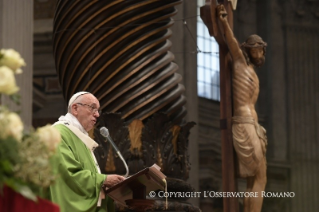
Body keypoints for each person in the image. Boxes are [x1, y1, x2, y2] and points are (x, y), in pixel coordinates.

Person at [216, 5, 268, 212]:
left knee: (257, 179)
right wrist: (223, 21)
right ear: (249, 49)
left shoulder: (252, 72)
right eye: (255, 48)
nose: (259, 51)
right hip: (244, 124)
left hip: (253, 125)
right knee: (259, 177)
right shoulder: (239, 62)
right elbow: (232, 43)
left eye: (261, 48)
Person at [49, 91, 125, 212]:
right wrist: (103, 180)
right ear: (75, 109)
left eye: (98, 110)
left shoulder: (79, 136)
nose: (97, 115)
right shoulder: (58, 133)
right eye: (92, 108)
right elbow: (67, 174)